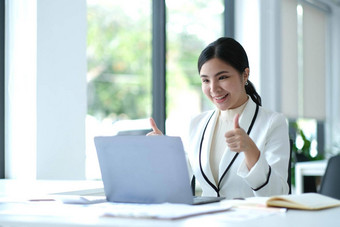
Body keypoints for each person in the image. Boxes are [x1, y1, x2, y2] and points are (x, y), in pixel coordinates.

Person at [147, 37, 290, 199]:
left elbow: (279, 195)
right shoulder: (197, 124)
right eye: (206, 80)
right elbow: (174, 185)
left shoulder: (272, 123)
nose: (213, 89)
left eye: (222, 77)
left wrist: (251, 150)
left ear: (245, 75)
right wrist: (162, 152)